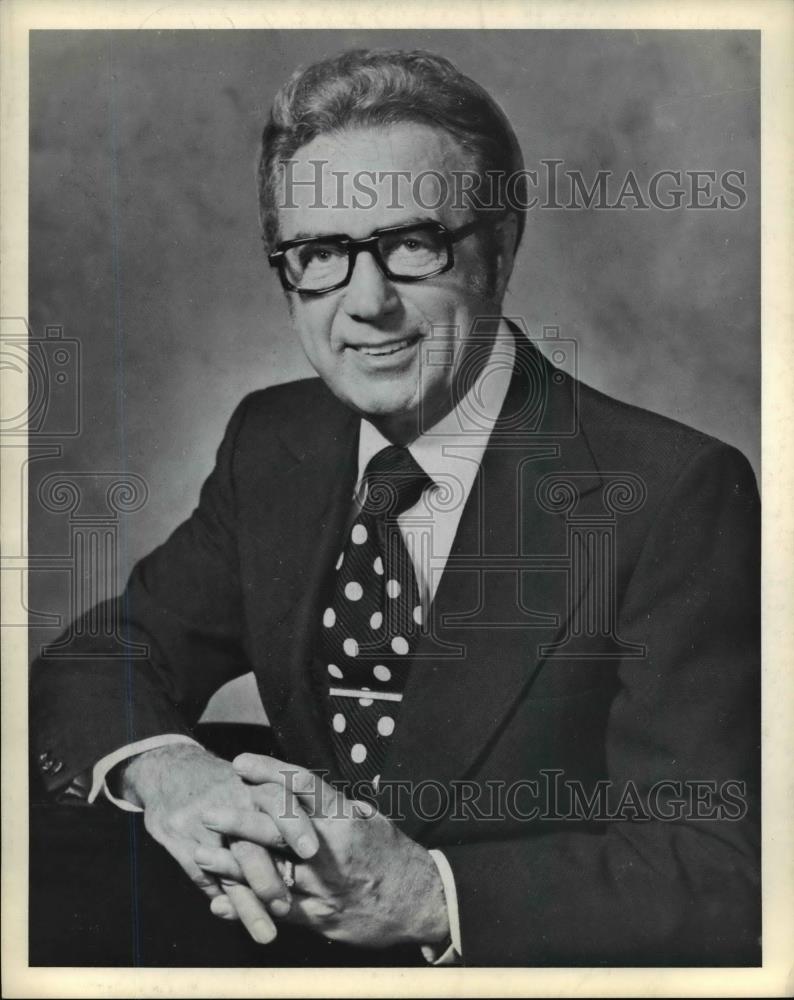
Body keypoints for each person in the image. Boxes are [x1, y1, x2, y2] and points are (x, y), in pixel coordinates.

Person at [30, 48, 760, 966]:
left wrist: (424, 897)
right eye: (320, 255)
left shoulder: (675, 492)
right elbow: (107, 656)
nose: (365, 303)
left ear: (500, 247)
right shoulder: (275, 441)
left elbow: (716, 872)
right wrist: (171, 772)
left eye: (413, 244)